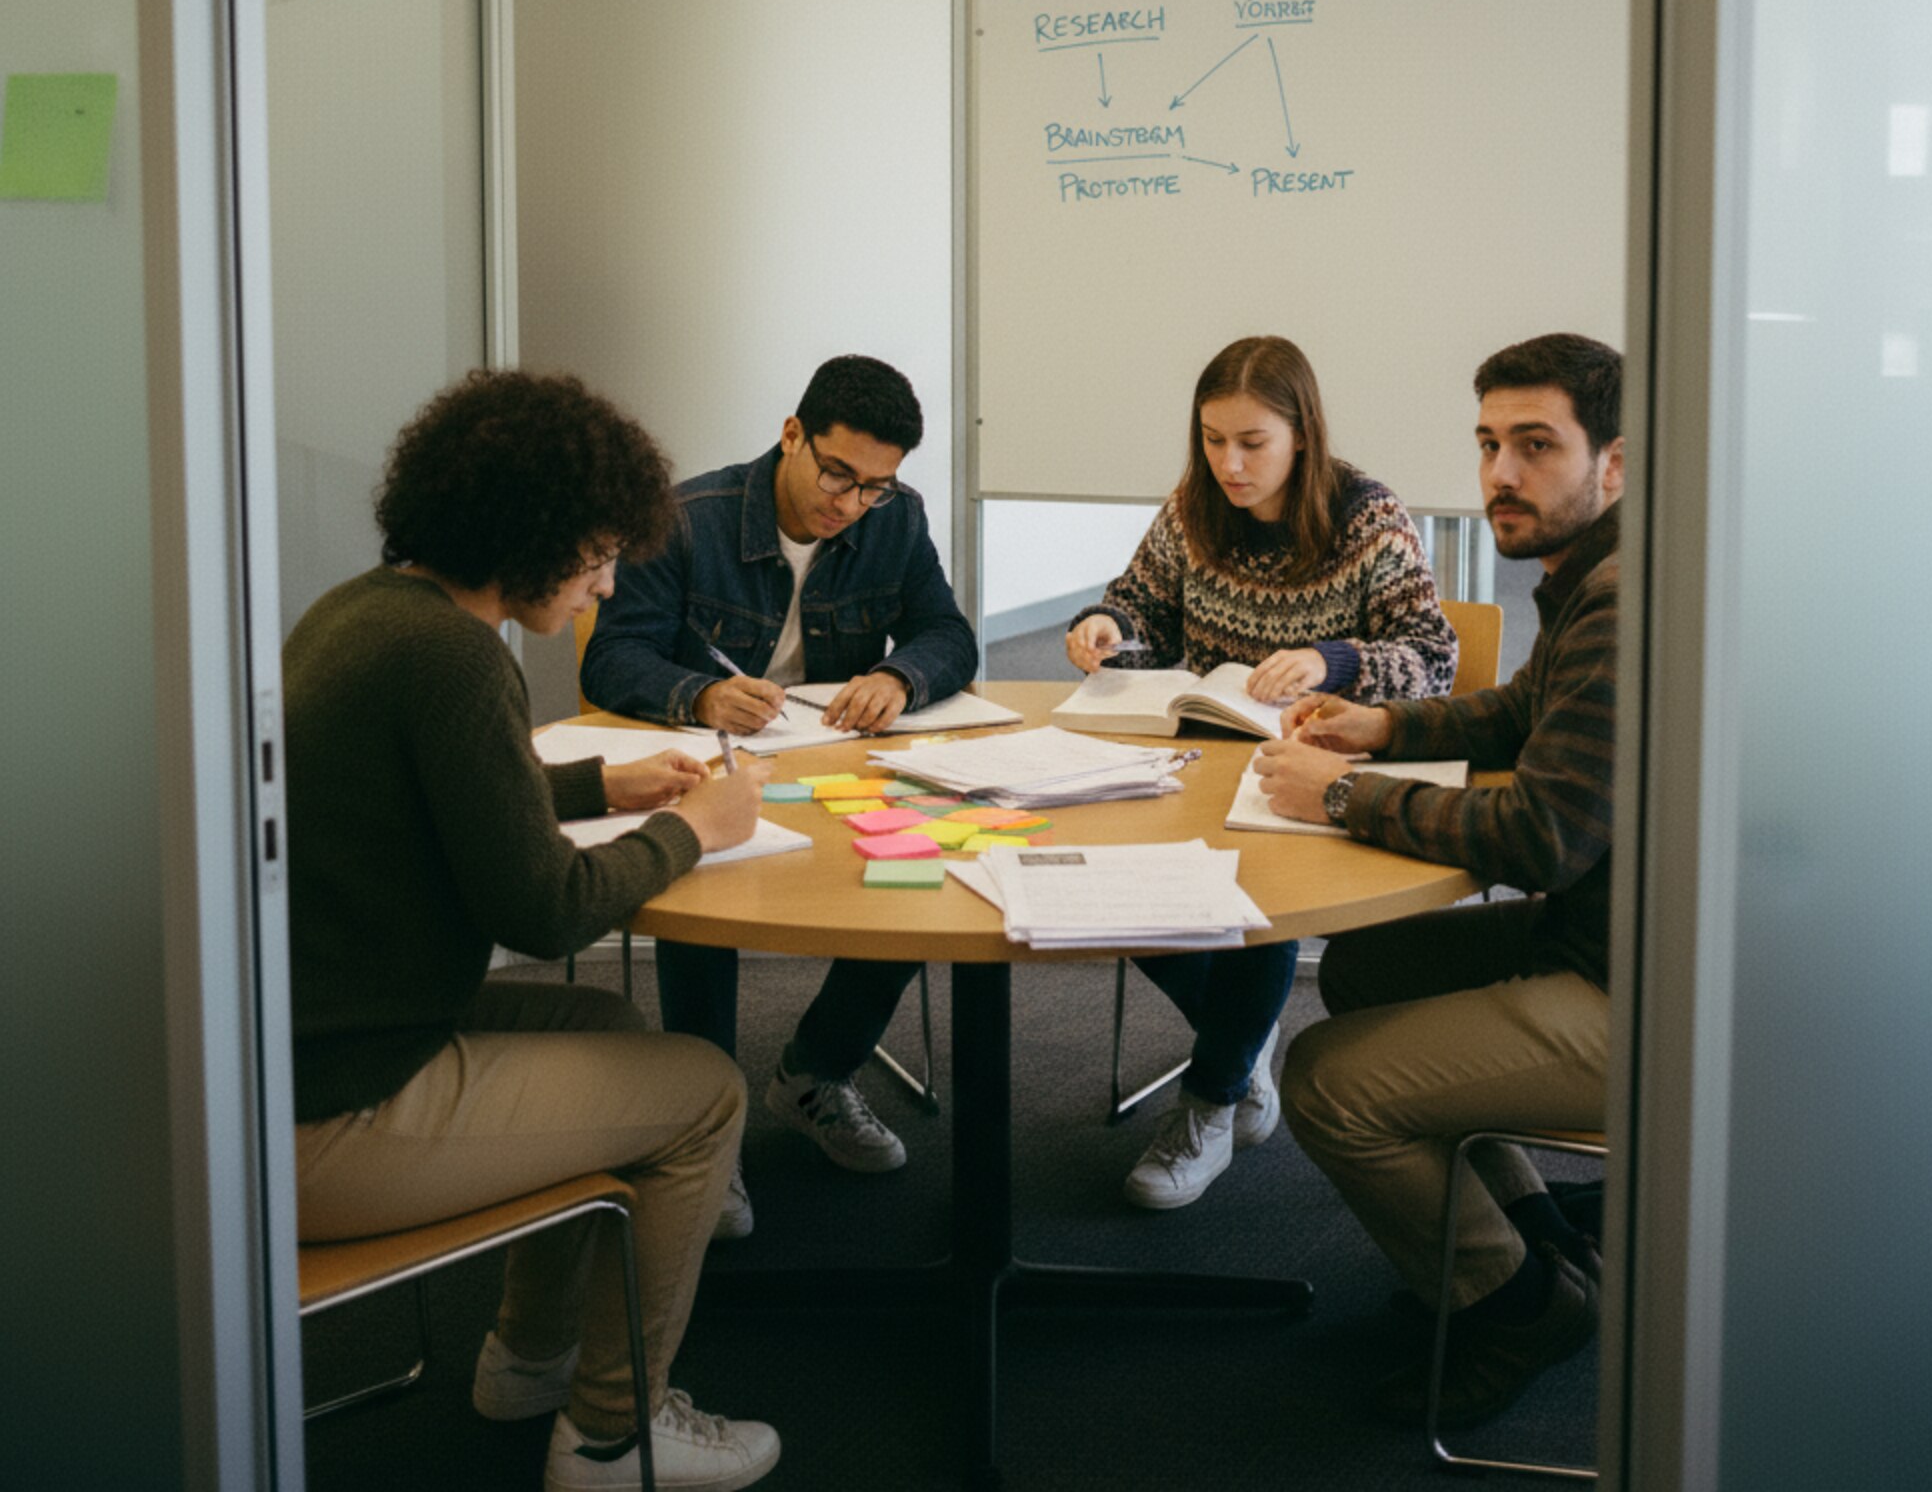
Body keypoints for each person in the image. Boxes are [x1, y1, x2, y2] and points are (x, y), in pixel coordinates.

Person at [287, 368, 779, 1492]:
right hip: (336, 1106)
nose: (609, 579)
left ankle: (529, 1359)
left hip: (317, 1034)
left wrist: (608, 779)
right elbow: (543, 908)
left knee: (599, 1017)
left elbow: (444, 799)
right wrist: (698, 824)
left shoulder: (369, 610)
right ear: (527, 531)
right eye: (598, 551)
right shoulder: (457, 658)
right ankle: (613, 1435)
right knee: (702, 1091)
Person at [1255, 331, 1622, 1431]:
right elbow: (1519, 713)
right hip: (1610, 932)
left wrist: (1337, 793)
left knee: (1326, 1078)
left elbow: (1542, 834)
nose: (1498, 474)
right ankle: (1541, 1243)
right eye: (1486, 443)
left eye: (1534, 445)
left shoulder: (1622, 600)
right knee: (1374, 964)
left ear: (1615, 462)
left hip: (1649, 998)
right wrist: (1388, 722)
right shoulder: (1596, 570)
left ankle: (1515, 1306)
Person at [1064, 335, 1456, 1210]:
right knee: (1118, 897)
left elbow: (1433, 661)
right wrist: (1105, 626)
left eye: (1252, 443)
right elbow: (1143, 606)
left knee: (1259, 909)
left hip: (1305, 767)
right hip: (1193, 758)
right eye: (1211, 440)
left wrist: (1332, 663)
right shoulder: (1193, 507)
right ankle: (1243, 1049)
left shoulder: (1367, 517)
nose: (1229, 465)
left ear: (1303, 437)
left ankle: (1210, 1100)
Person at [582, 354, 975, 1225]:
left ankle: (816, 1074)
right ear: (792, 434)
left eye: (874, 486)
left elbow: (948, 632)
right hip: (708, 762)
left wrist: (904, 678)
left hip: (834, 761)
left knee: (920, 875)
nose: (850, 502)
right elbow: (611, 655)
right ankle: (705, 1128)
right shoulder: (687, 519)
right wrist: (700, 693)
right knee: (701, 884)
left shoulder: (895, 520)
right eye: (838, 473)